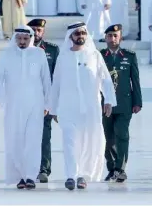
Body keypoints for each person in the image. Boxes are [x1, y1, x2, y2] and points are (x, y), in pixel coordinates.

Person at [47, 22, 115, 190]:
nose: (80, 36)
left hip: (91, 107)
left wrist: (109, 100)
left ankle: (83, 175)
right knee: (69, 141)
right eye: (77, 33)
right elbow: (56, 83)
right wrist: (53, 108)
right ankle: (71, 175)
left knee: (89, 142)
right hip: (68, 106)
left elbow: (106, 79)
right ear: (71, 36)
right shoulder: (63, 57)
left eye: (83, 33)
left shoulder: (94, 55)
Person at [0, 26, 51, 190]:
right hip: (13, 104)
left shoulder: (38, 54)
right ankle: (19, 176)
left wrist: (48, 103)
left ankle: (31, 176)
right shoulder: (7, 54)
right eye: (20, 39)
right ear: (15, 38)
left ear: (30, 38)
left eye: (25, 39)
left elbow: (46, 79)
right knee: (15, 140)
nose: (22, 42)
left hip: (35, 105)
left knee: (33, 140)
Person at [100, 24, 142, 182]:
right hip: (105, 104)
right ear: (105, 38)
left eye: (115, 35)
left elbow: (135, 80)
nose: (112, 39)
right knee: (107, 137)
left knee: (122, 134)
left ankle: (120, 168)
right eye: (109, 35)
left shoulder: (129, 56)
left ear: (121, 38)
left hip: (125, 102)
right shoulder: (100, 55)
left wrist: (138, 101)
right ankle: (111, 168)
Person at [26, 19, 59, 183]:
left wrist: (54, 104)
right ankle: (27, 168)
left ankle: (44, 169)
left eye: (39, 30)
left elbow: (57, 78)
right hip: (25, 100)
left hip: (45, 101)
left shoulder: (52, 50)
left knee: (45, 136)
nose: (36, 33)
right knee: (26, 136)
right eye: (33, 29)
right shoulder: (22, 49)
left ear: (43, 32)